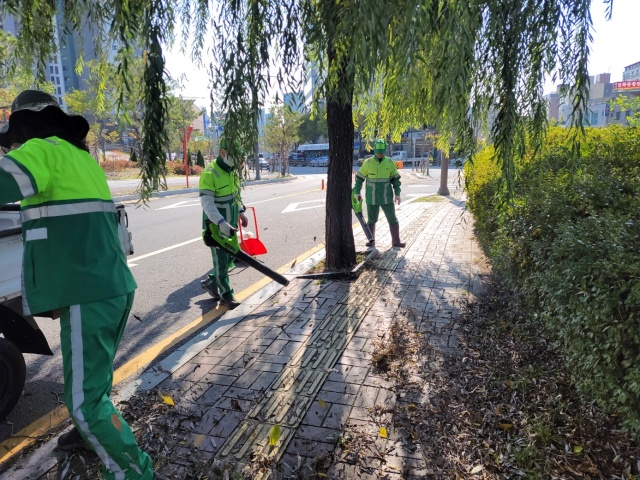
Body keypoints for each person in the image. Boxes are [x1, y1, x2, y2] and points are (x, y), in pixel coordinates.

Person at [0, 90, 161, 479]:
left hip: (88, 293)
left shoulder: (43, 151)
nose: (16, 144)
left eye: (17, 134)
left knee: (84, 403)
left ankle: (134, 473)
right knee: (95, 387)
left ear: (26, 127)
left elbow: (5, 184)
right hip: (113, 286)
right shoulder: (80, 160)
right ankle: (91, 437)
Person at [199, 137, 248, 309]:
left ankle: (212, 282)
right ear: (222, 153)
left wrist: (241, 212)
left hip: (231, 220)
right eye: (234, 156)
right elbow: (207, 204)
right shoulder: (210, 173)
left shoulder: (232, 171)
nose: (238, 161)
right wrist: (220, 222)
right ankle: (226, 295)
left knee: (230, 258)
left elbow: (237, 195)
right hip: (216, 225)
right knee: (220, 260)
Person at [353, 138, 405, 248]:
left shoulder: (390, 162)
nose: (380, 154)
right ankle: (371, 240)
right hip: (372, 197)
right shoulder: (368, 163)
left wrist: (397, 194)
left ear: (385, 151)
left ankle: (396, 241)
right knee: (371, 220)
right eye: (378, 152)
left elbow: (396, 179)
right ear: (375, 151)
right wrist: (357, 191)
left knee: (392, 218)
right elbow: (359, 178)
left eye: (381, 152)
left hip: (386, 197)